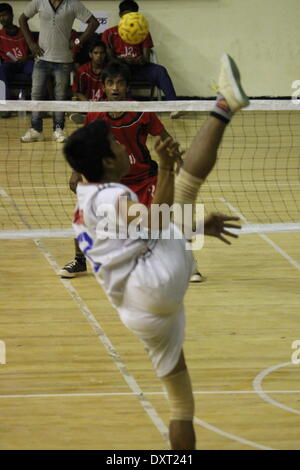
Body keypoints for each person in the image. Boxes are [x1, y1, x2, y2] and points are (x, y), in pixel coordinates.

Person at [63, 53, 249, 449]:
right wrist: (164, 167)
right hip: (154, 279)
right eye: (116, 145)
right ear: (105, 161)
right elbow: (153, 221)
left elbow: (143, 222)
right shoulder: (109, 196)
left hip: (138, 310)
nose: (125, 150)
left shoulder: (85, 192)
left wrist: (198, 226)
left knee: (180, 406)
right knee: (182, 187)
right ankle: (224, 103)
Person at [59, 60, 194, 276]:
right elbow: (85, 144)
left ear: (126, 87)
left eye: (120, 83)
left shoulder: (141, 112)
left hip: (145, 177)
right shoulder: (96, 114)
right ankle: (79, 260)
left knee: (171, 215)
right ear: (103, 87)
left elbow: (164, 136)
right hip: (112, 180)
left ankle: (189, 263)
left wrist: (179, 160)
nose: (115, 88)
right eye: (110, 83)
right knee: (84, 214)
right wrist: (76, 172)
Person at [19, 0, 99, 143]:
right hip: (41, 58)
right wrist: (31, 43)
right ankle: (36, 130)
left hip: (63, 60)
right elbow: (22, 18)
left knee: (60, 96)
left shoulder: (73, 4)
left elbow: (94, 23)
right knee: (36, 94)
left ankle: (58, 129)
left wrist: (77, 42)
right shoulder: (39, 2)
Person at [102, 0, 182, 119]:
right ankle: (126, 109)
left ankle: (174, 106)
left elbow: (146, 59)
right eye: (126, 16)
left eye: (133, 15)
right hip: (120, 69)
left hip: (139, 68)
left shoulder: (143, 32)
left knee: (160, 71)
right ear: (120, 15)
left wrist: (139, 60)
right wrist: (123, 60)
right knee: (121, 72)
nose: (130, 19)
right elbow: (110, 59)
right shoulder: (109, 33)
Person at [0, 3, 34, 109]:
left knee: (38, 69)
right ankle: (5, 105)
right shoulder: (0, 35)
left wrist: (26, 58)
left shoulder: (24, 32)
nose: (2, 19)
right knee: (2, 69)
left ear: (12, 15)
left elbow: (36, 52)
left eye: (5, 15)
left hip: (25, 62)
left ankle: (37, 105)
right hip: (9, 64)